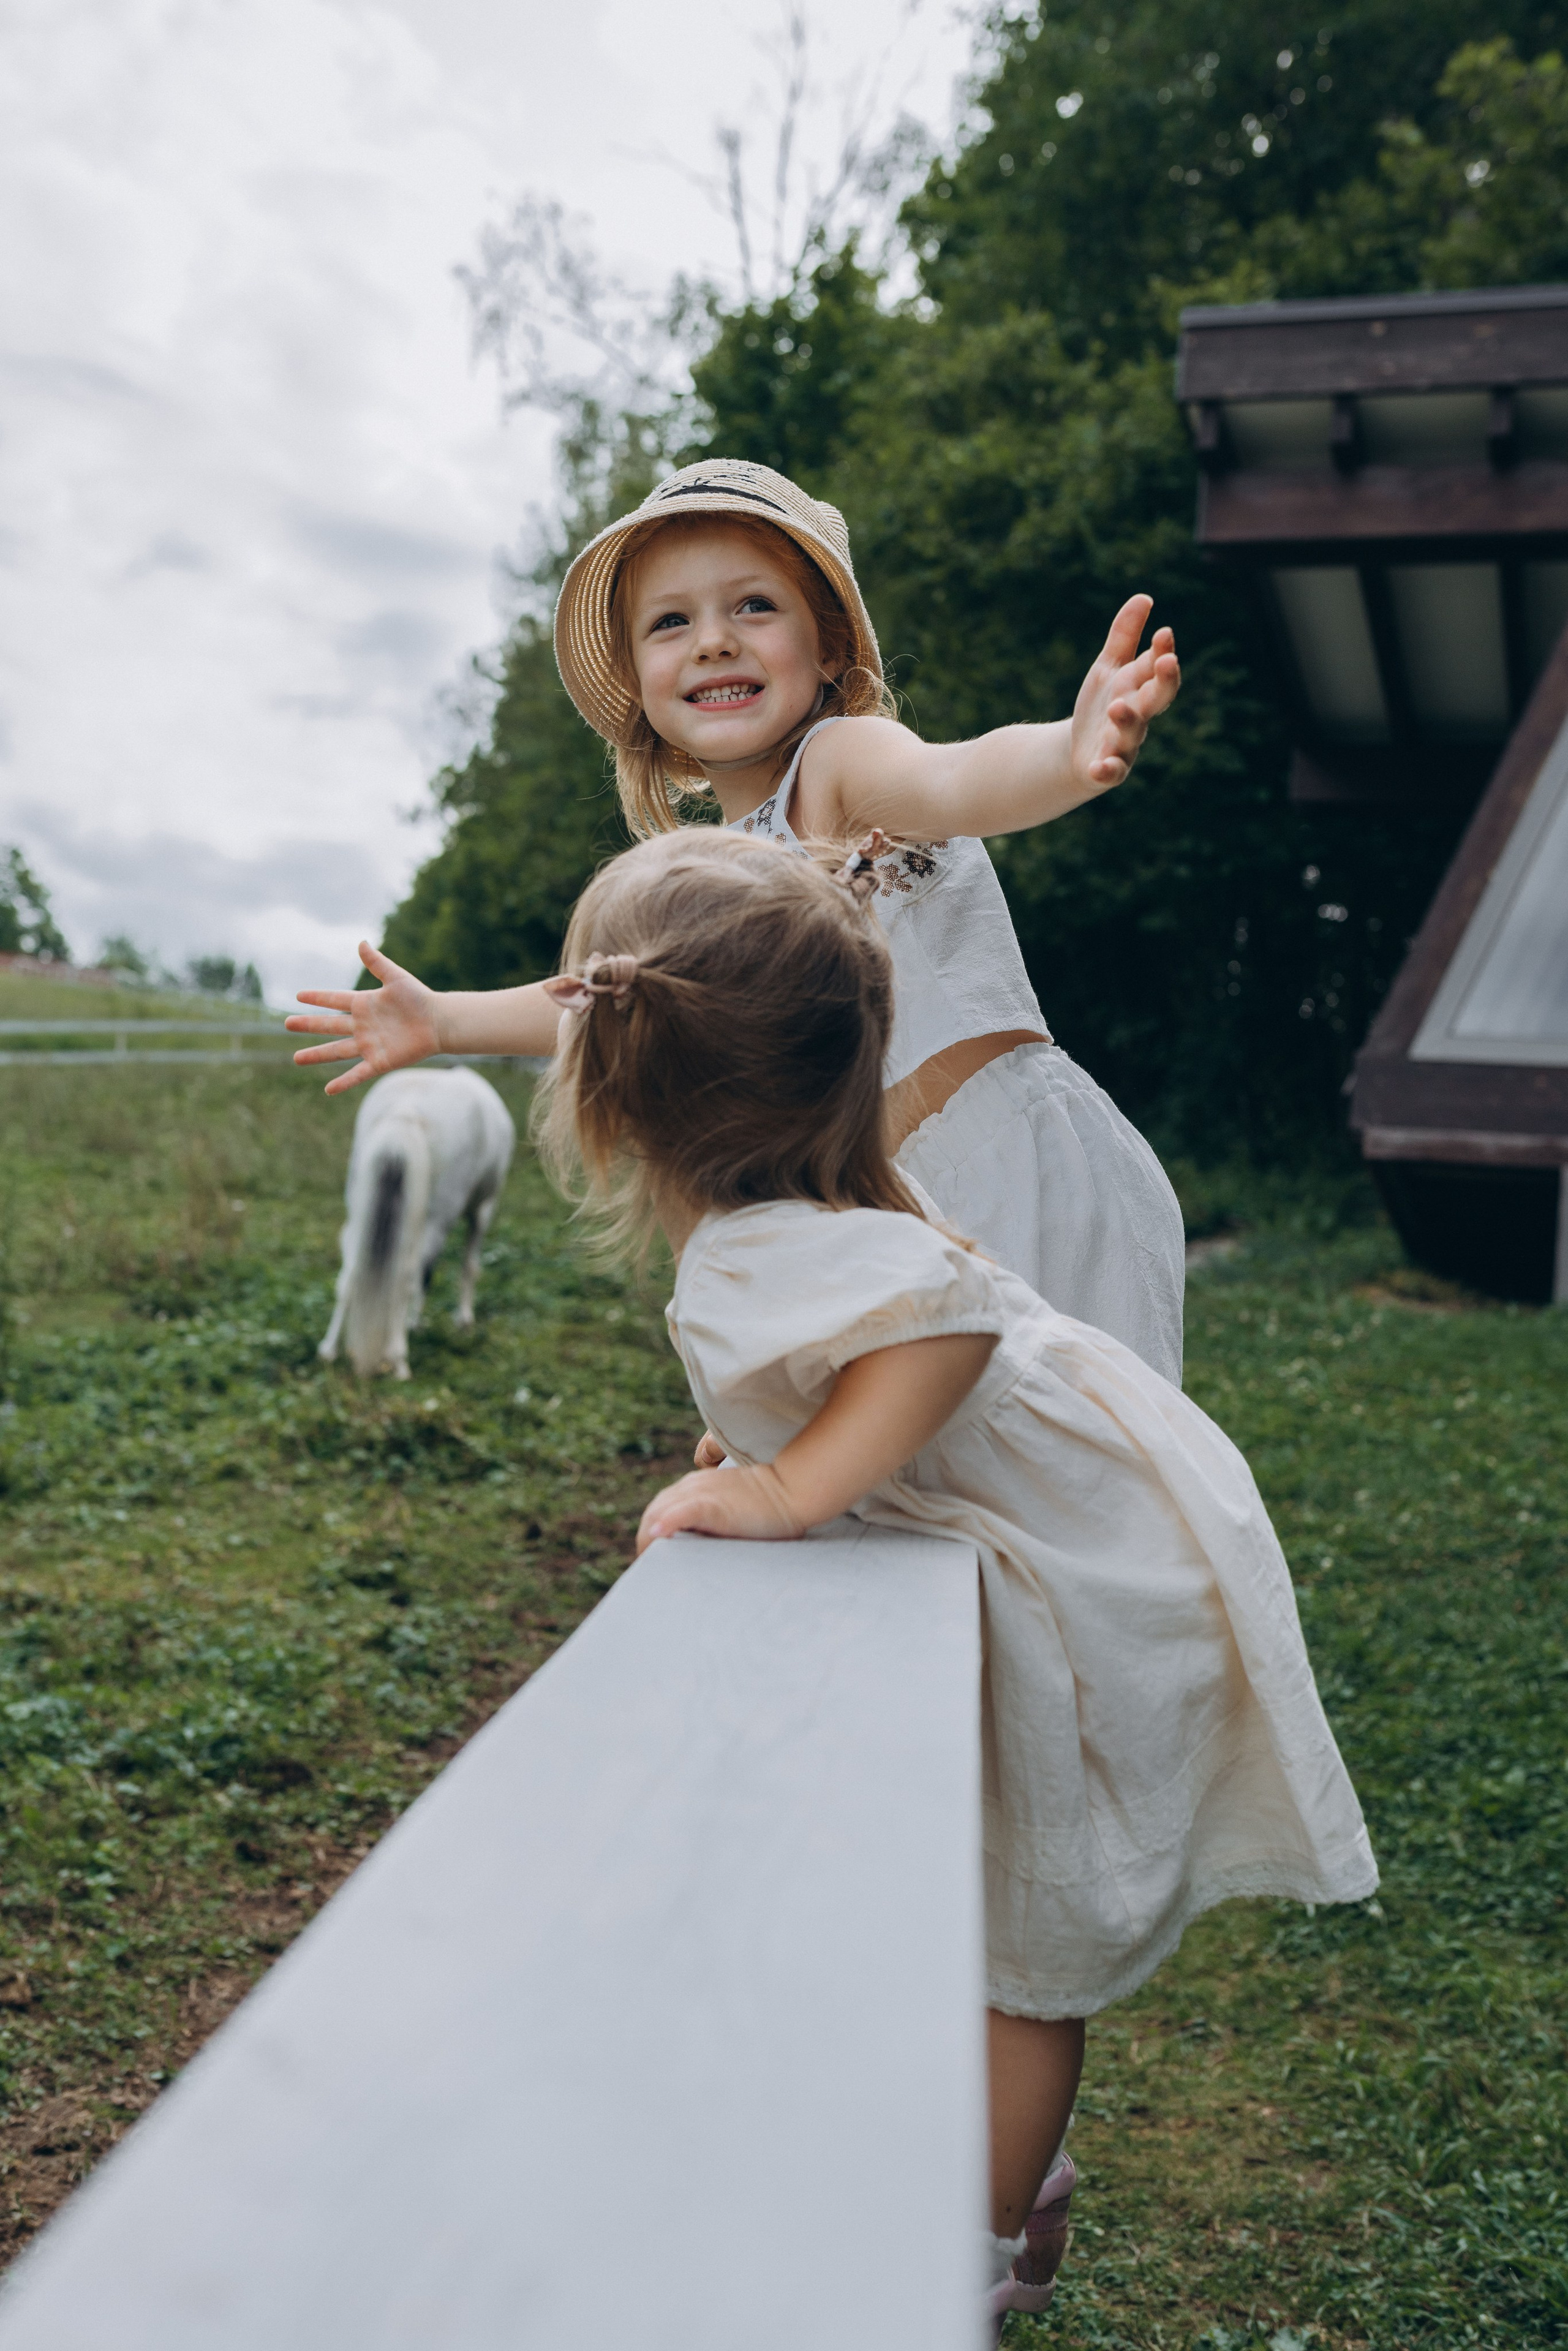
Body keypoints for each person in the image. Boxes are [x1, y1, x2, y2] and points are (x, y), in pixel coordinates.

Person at [532, 826, 1379, 2330]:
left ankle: (971, 2254)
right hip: (1111, 1524)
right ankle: (1008, 2188)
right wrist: (773, 1438)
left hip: (1091, 1570)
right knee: (993, 1952)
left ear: (608, 1096)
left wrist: (790, 1485)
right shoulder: (810, 1216)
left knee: (1020, 1959)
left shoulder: (753, 1252)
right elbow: (881, 1327)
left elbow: (938, 1328)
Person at [289, 457, 1188, 1386]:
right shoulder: (712, 875)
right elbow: (612, 994)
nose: (714, 641)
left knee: (1079, 1479)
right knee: (929, 1502)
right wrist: (444, 1021)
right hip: (886, 1216)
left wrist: (1067, 750)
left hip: (1013, 1176)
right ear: (640, 679)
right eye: (671, 622)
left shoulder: (841, 765)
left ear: (831, 646)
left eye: (754, 606)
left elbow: (957, 777)